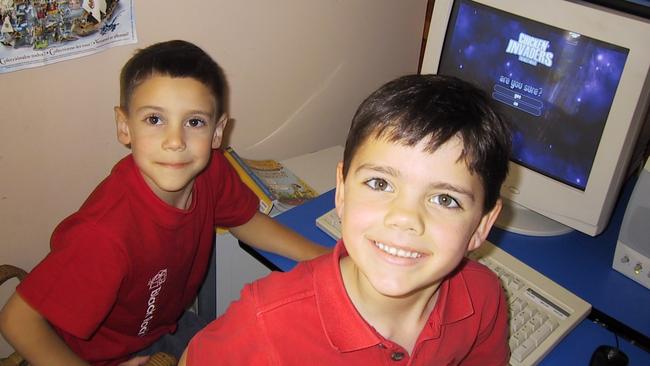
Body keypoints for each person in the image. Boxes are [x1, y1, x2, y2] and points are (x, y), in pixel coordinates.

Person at [0, 40, 328, 366]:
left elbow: (246, 220)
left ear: (217, 132)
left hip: (158, 330)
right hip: (83, 357)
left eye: (194, 122)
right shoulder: (104, 235)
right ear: (124, 126)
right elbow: (18, 320)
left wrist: (324, 258)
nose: (175, 142)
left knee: (254, 348)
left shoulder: (211, 170)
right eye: (155, 120)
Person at [180, 74, 513, 365]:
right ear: (341, 191)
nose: (405, 218)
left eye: (445, 199)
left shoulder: (483, 296)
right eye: (380, 183)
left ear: (482, 225)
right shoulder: (263, 322)